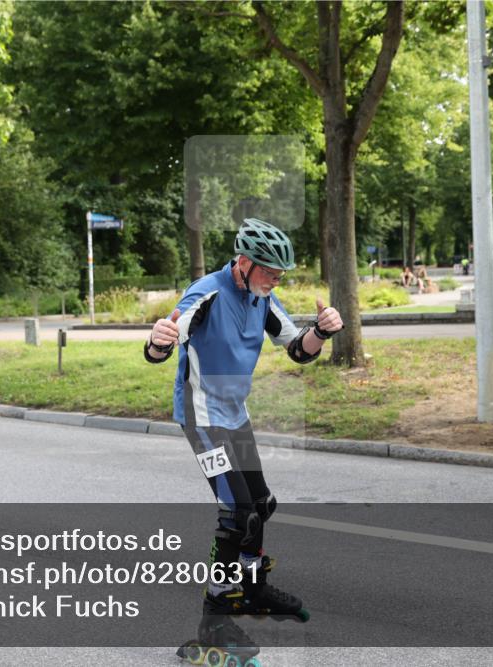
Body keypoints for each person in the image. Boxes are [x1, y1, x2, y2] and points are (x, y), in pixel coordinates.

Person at [145, 218, 342, 660]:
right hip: (203, 420)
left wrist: (322, 331)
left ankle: (253, 589)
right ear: (245, 263)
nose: (276, 281)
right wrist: (158, 343)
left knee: (261, 505)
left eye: (280, 275)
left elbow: (297, 349)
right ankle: (214, 620)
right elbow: (163, 343)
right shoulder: (207, 293)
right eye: (271, 272)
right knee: (237, 511)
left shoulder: (263, 298)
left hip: (235, 417)